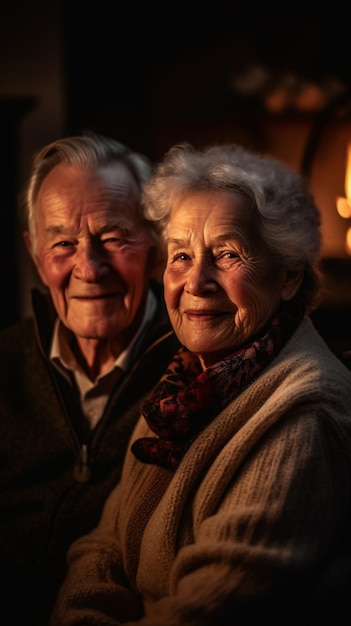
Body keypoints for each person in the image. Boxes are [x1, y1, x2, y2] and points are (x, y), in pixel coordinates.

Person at [50, 142, 351, 626]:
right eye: (181, 255)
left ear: (290, 275)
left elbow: (217, 605)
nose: (196, 281)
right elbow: (102, 544)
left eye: (227, 254)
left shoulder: (304, 410)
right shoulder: (185, 386)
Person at [0, 131, 180, 626]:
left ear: (155, 245)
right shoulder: (5, 362)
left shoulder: (198, 372)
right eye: (62, 242)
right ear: (36, 255)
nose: (89, 267)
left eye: (113, 238)